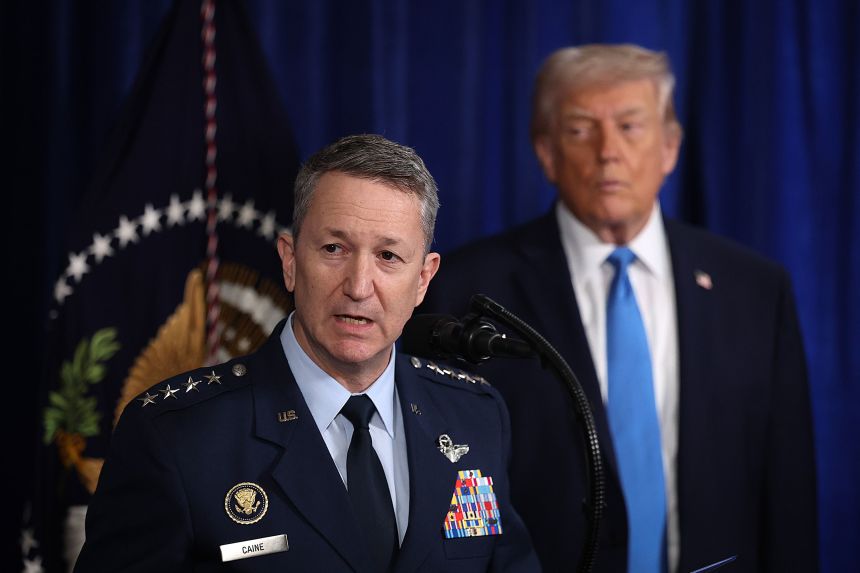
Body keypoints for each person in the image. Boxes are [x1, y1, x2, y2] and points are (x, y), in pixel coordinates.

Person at [420, 44, 818, 573]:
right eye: (582, 130)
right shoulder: (466, 290)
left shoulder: (755, 289)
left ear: (671, 147)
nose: (609, 151)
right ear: (546, 152)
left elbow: (787, 490)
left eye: (630, 126)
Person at [74, 134, 541, 572]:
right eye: (334, 248)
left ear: (423, 279)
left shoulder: (473, 416)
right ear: (291, 261)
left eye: (389, 257)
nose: (359, 287)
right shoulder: (176, 436)